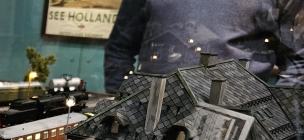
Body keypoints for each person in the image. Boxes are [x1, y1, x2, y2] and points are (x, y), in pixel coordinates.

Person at [103, 0, 304, 94]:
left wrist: (273, 118)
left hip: (238, 122)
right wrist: (122, 103)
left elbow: (298, 63)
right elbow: (120, 49)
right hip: (152, 117)